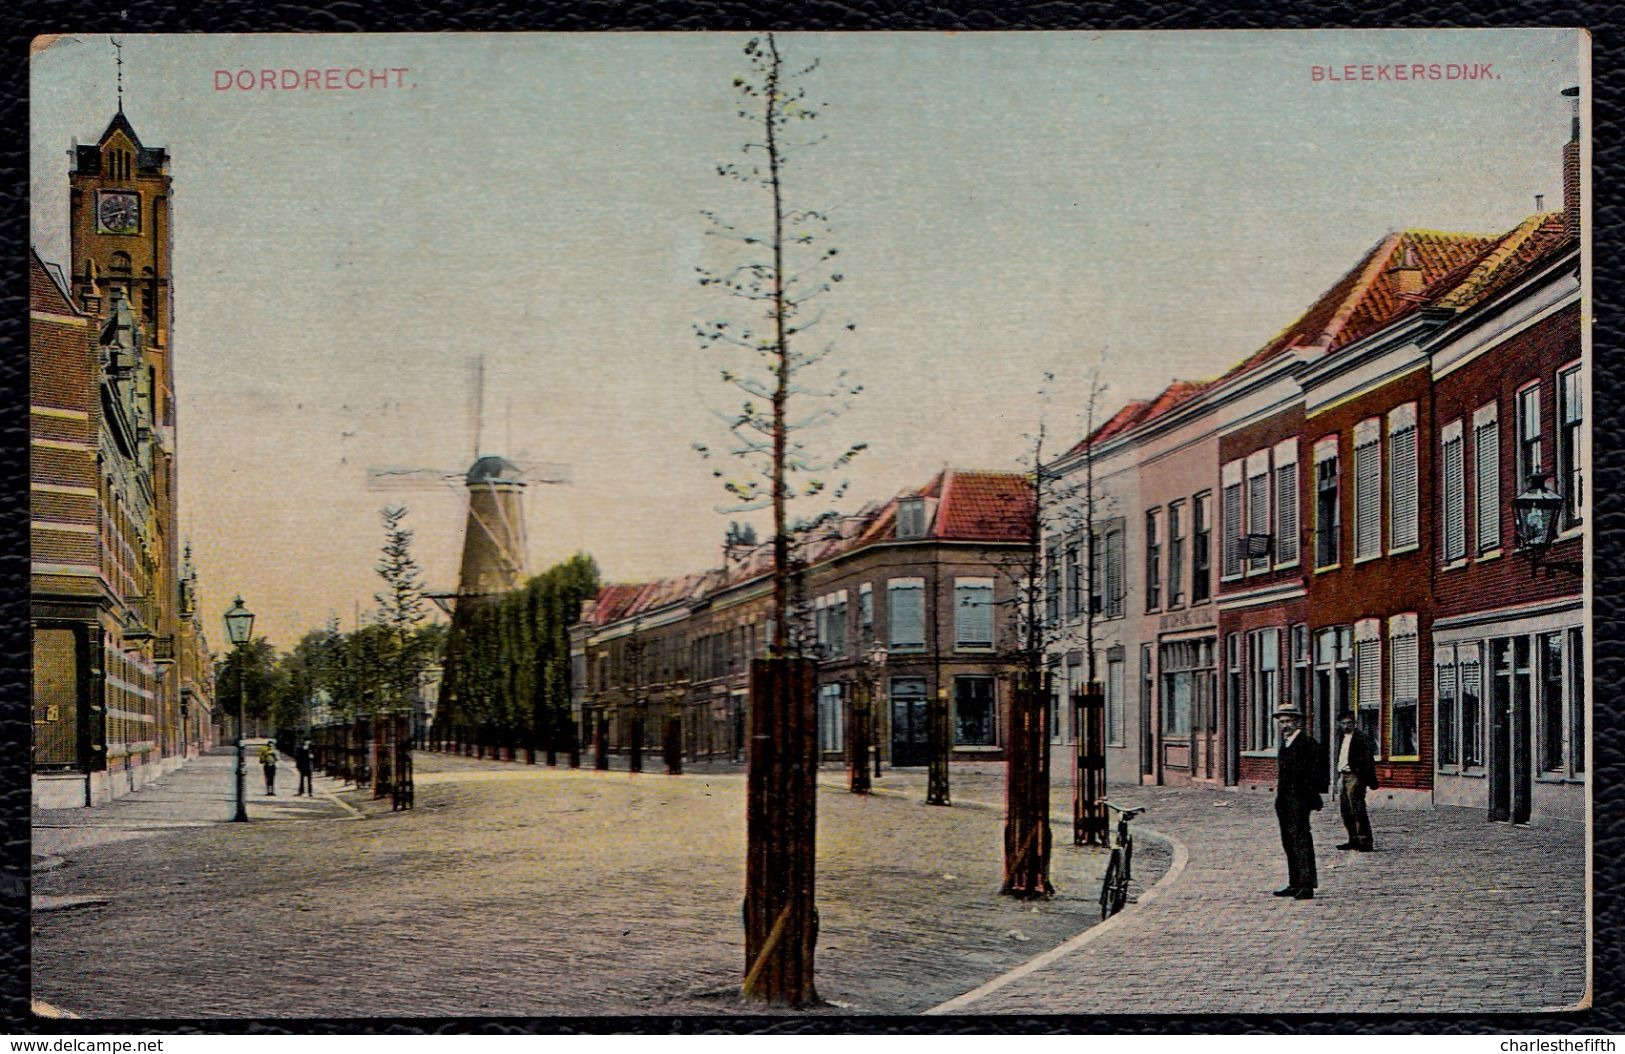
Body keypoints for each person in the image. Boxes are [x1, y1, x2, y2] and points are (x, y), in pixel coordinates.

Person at [1272, 703, 1326, 901]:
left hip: (1299, 800)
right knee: (1288, 841)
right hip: (1284, 801)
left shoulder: (1307, 744)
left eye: (1288, 721)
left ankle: (1306, 884)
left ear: (1297, 722)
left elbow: (1316, 773)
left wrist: (1311, 797)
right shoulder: (1285, 744)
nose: (1284, 726)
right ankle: (1294, 882)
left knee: (1301, 840)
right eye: (1281, 722)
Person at [1335, 710, 1379, 851]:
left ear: (1354, 723)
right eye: (1343, 723)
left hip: (1355, 776)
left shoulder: (1362, 737)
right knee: (1345, 809)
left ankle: (1365, 841)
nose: (1346, 726)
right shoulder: (1340, 738)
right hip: (1343, 775)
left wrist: (1366, 778)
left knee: (1357, 808)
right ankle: (1352, 839)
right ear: (1340, 724)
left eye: (1349, 723)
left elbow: (1368, 759)